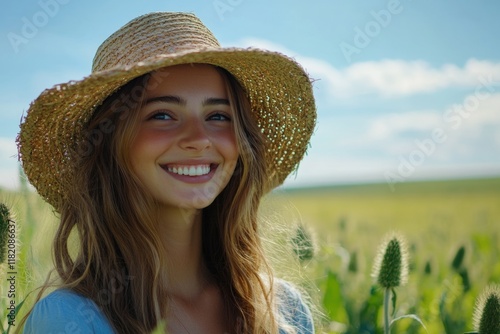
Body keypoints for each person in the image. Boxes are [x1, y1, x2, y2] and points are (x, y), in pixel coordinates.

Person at [17, 12, 317, 334]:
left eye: (218, 115)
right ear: (110, 143)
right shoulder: (67, 319)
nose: (199, 138)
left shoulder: (285, 310)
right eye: (162, 114)